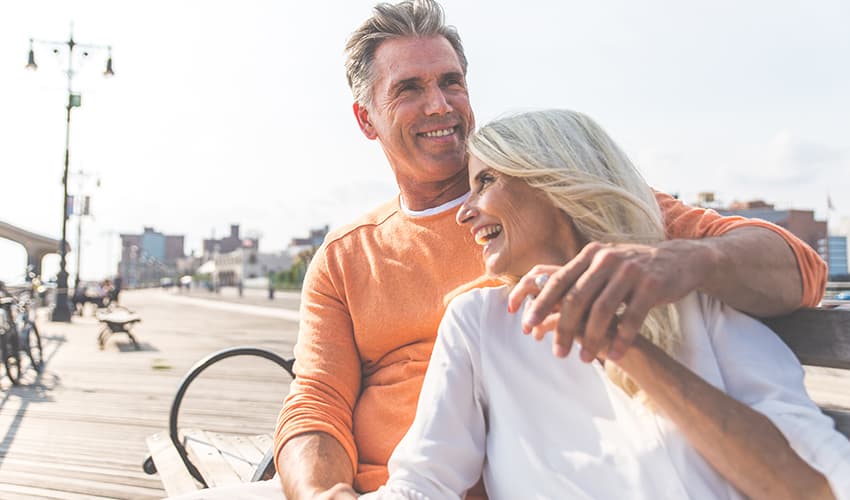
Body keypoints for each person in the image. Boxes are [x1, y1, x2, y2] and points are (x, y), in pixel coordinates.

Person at [169, 1, 826, 499]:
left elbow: (796, 267)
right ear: (366, 119)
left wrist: (688, 261)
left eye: (451, 81)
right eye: (409, 88)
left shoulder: (551, 201)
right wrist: (324, 493)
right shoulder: (346, 258)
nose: (441, 104)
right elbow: (315, 403)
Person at [364, 109, 849, 500]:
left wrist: (627, 347)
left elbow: (815, 488)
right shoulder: (480, 324)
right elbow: (422, 484)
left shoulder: (699, 306)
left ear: (556, 184)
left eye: (486, 181)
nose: (465, 212)